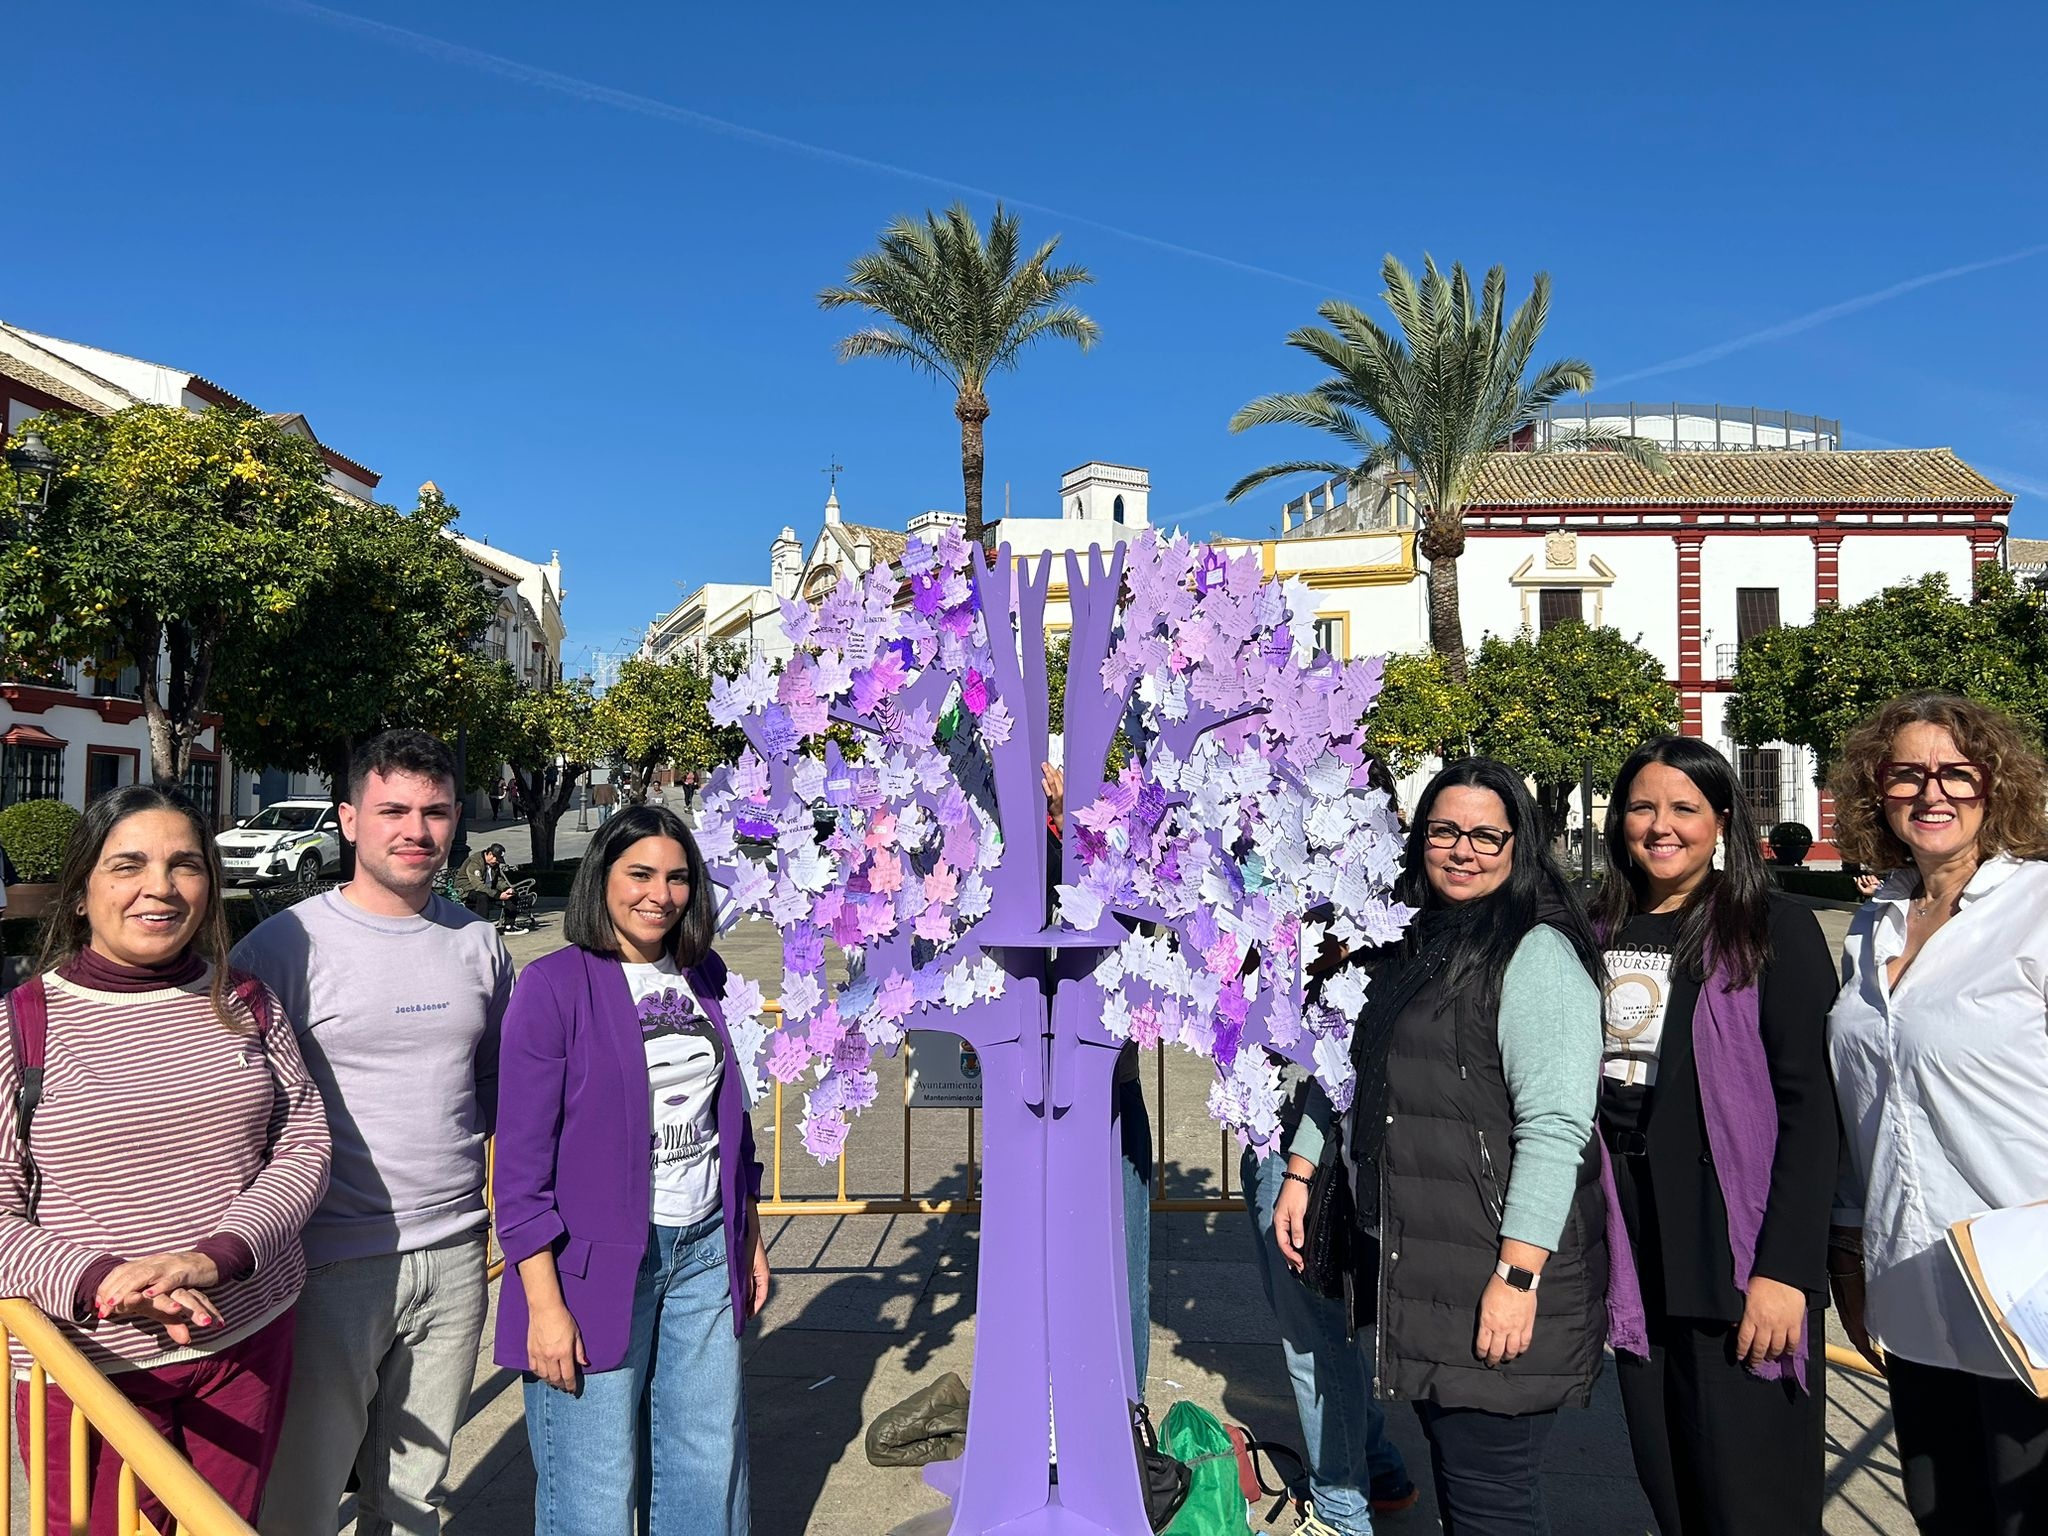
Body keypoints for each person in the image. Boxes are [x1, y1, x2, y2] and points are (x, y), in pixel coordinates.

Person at [1276, 758, 1608, 1536]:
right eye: (1445, 831)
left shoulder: (1536, 955)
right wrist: (1302, 1165)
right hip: (1420, 1266)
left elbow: (1557, 1127)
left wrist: (1518, 1276)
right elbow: (1344, 1062)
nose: (1464, 850)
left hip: (1491, 1267)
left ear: (1518, 845)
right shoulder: (1402, 942)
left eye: (1486, 835)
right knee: (1467, 1490)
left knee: (1492, 1503)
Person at [0, 785, 330, 1533]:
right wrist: (106, 1283)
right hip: (89, 1367)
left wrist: (217, 1256)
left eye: (185, 864)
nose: (160, 887)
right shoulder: (22, 1023)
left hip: (246, 1335)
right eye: (128, 865)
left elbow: (302, 1138)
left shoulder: (244, 999)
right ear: (82, 891)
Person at [233, 729, 512, 1536]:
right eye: (393, 809)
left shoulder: (478, 943)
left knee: (414, 1493)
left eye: (434, 812)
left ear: (456, 819)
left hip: (458, 1255)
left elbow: (492, 1086)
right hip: (328, 1264)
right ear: (349, 819)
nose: (415, 830)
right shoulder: (284, 946)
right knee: (303, 1498)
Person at [494, 804, 767, 1535]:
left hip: (704, 1248)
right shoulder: (553, 987)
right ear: (602, 878)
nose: (661, 894)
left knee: (708, 1467)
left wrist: (749, 1232)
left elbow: (726, 1120)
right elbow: (518, 1173)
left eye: (678, 878)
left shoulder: (704, 975)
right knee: (594, 1492)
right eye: (640, 873)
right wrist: (545, 1309)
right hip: (591, 1267)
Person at [1592, 737, 1837, 1535]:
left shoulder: (1774, 928)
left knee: (1751, 1494)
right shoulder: (1594, 928)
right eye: (1641, 806)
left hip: (1730, 1249)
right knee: (1670, 1486)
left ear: (1722, 820)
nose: (1661, 827)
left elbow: (1810, 1114)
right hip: (1632, 1238)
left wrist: (1786, 1271)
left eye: (1684, 809)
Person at [1826, 691, 2048, 1534]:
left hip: (2029, 1289)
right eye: (1907, 773)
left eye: (1958, 772)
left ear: (1997, 785)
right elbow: (1864, 1101)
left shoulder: (2038, 907)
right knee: (1944, 1514)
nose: (1933, 792)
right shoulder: (1873, 922)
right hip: (1911, 1281)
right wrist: (1848, 1240)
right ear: (1876, 789)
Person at [457, 841, 516, 930]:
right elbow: (478, 886)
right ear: (490, 854)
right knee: (482, 897)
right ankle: (482, 927)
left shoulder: (494, 864)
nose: (497, 862)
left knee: (511, 895)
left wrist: (506, 888)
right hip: (467, 890)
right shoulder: (475, 862)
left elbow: (498, 880)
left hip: (487, 889)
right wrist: (497, 895)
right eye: (496, 859)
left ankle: (509, 926)